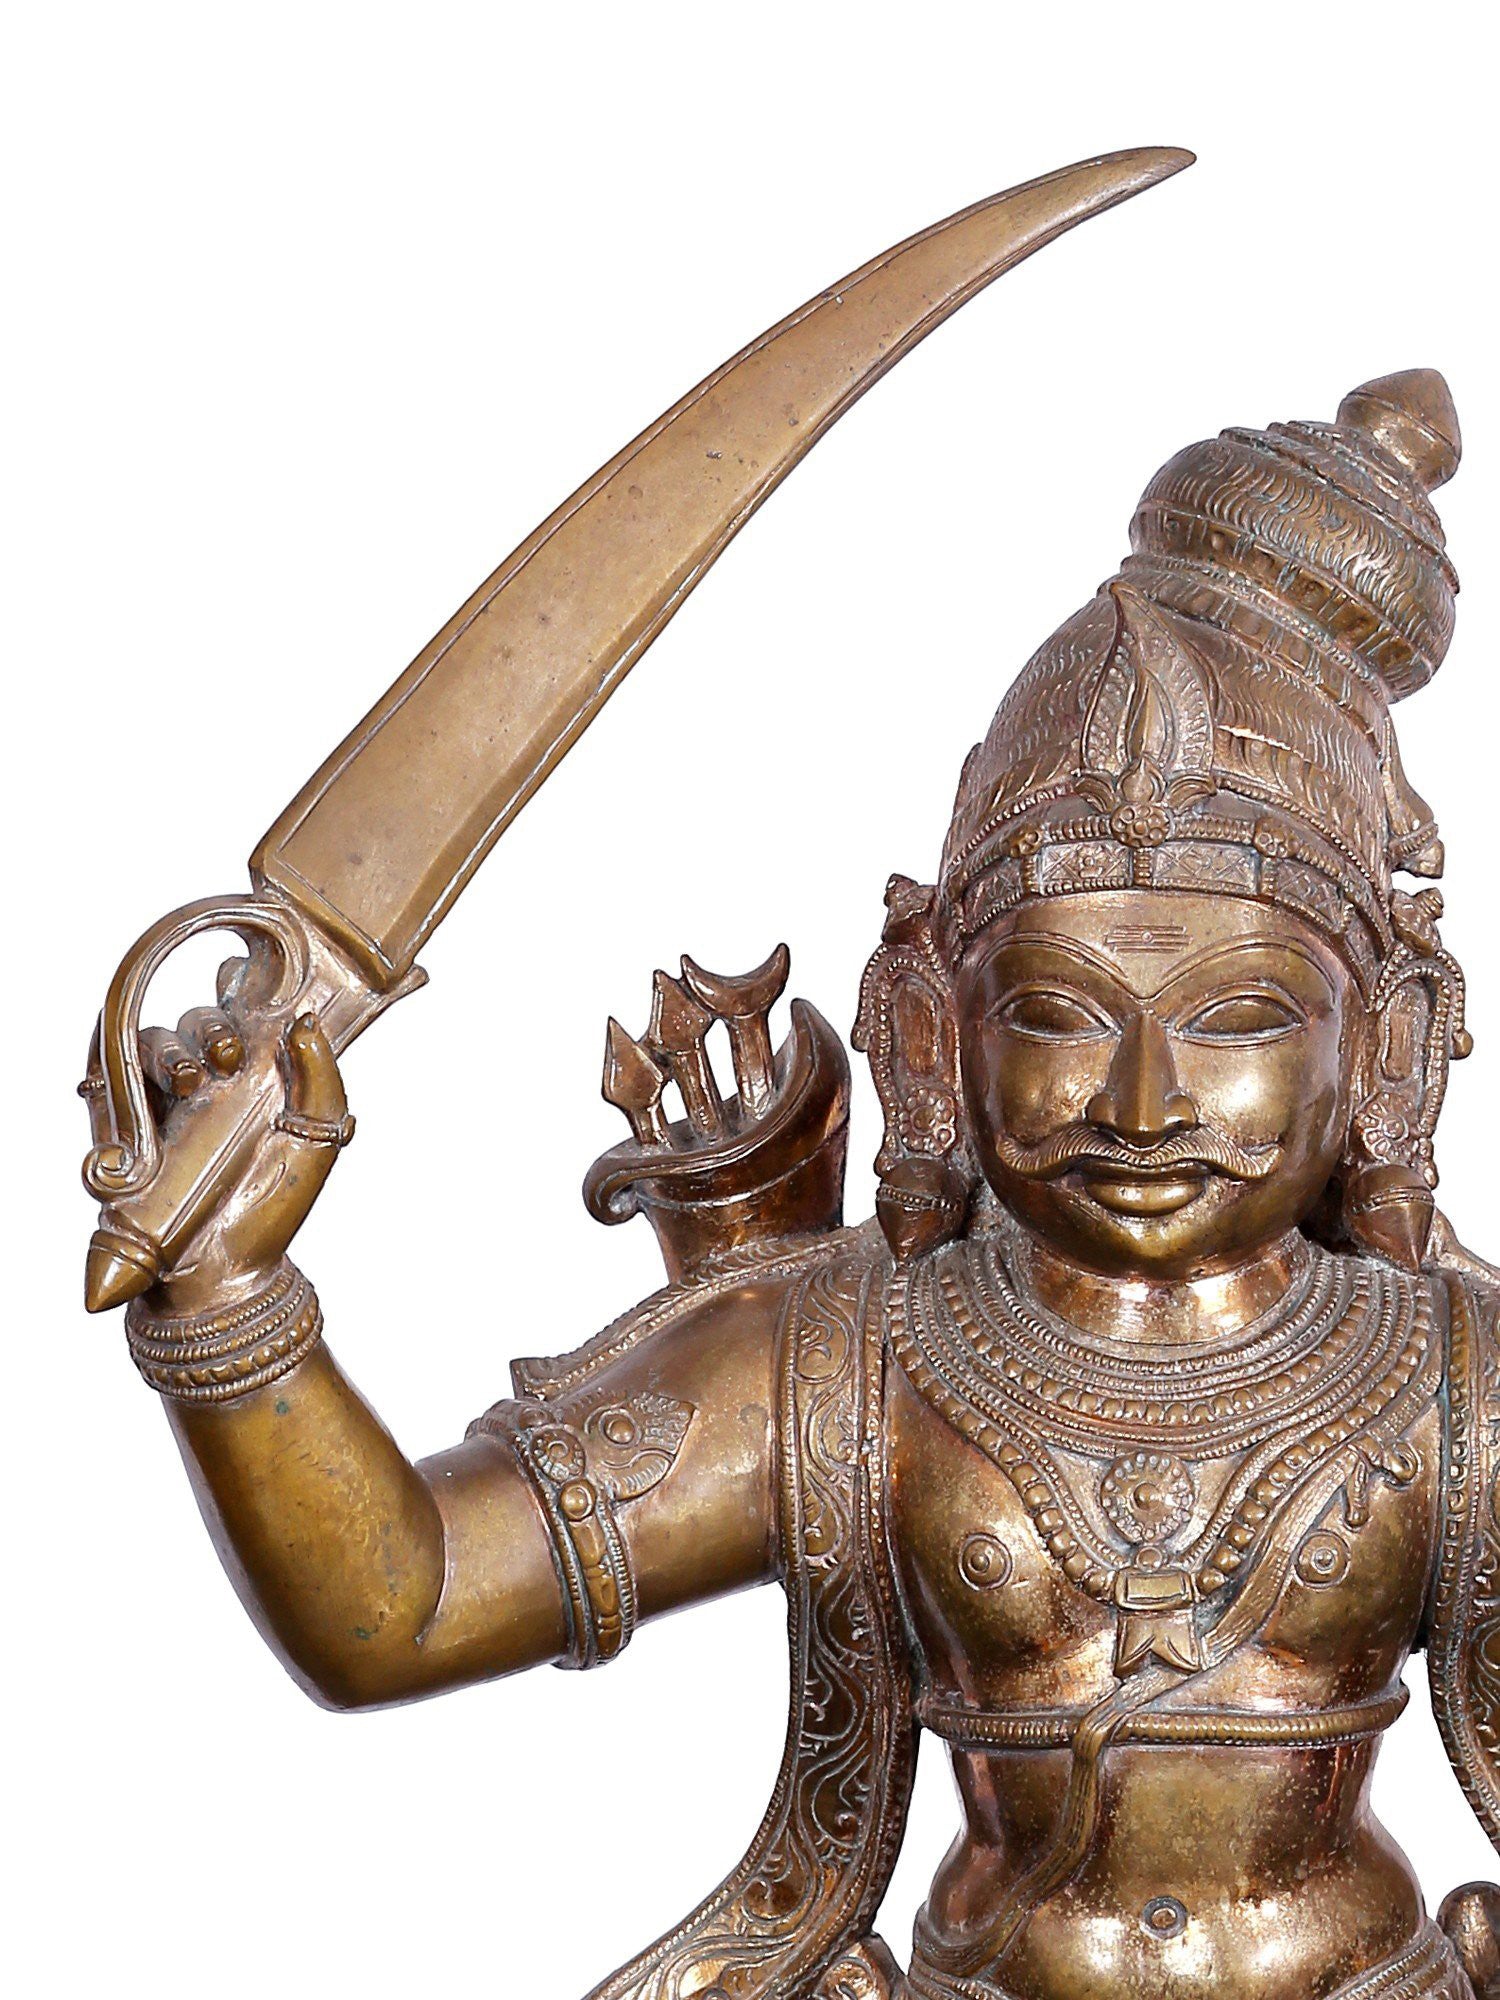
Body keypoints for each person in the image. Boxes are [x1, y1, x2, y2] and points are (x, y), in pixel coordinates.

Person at [113, 367, 1500, 1998]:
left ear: (1386, 1047)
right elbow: (398, 1601)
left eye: (1239, 1020)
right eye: (1057, 1014)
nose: (1142, 1104)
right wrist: (229, 1302)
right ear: (927, 1028)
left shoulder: (1454, 1384)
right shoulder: (846, 1363)